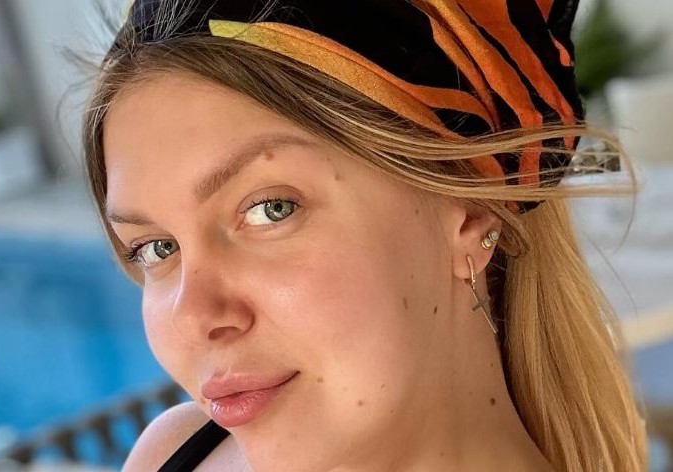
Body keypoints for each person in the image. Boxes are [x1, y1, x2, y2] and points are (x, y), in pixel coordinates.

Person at [80, 0, 649, 470]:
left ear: (471, 210)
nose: (193, 315)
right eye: (156, 247)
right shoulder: (173, 454)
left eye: (271, 209)